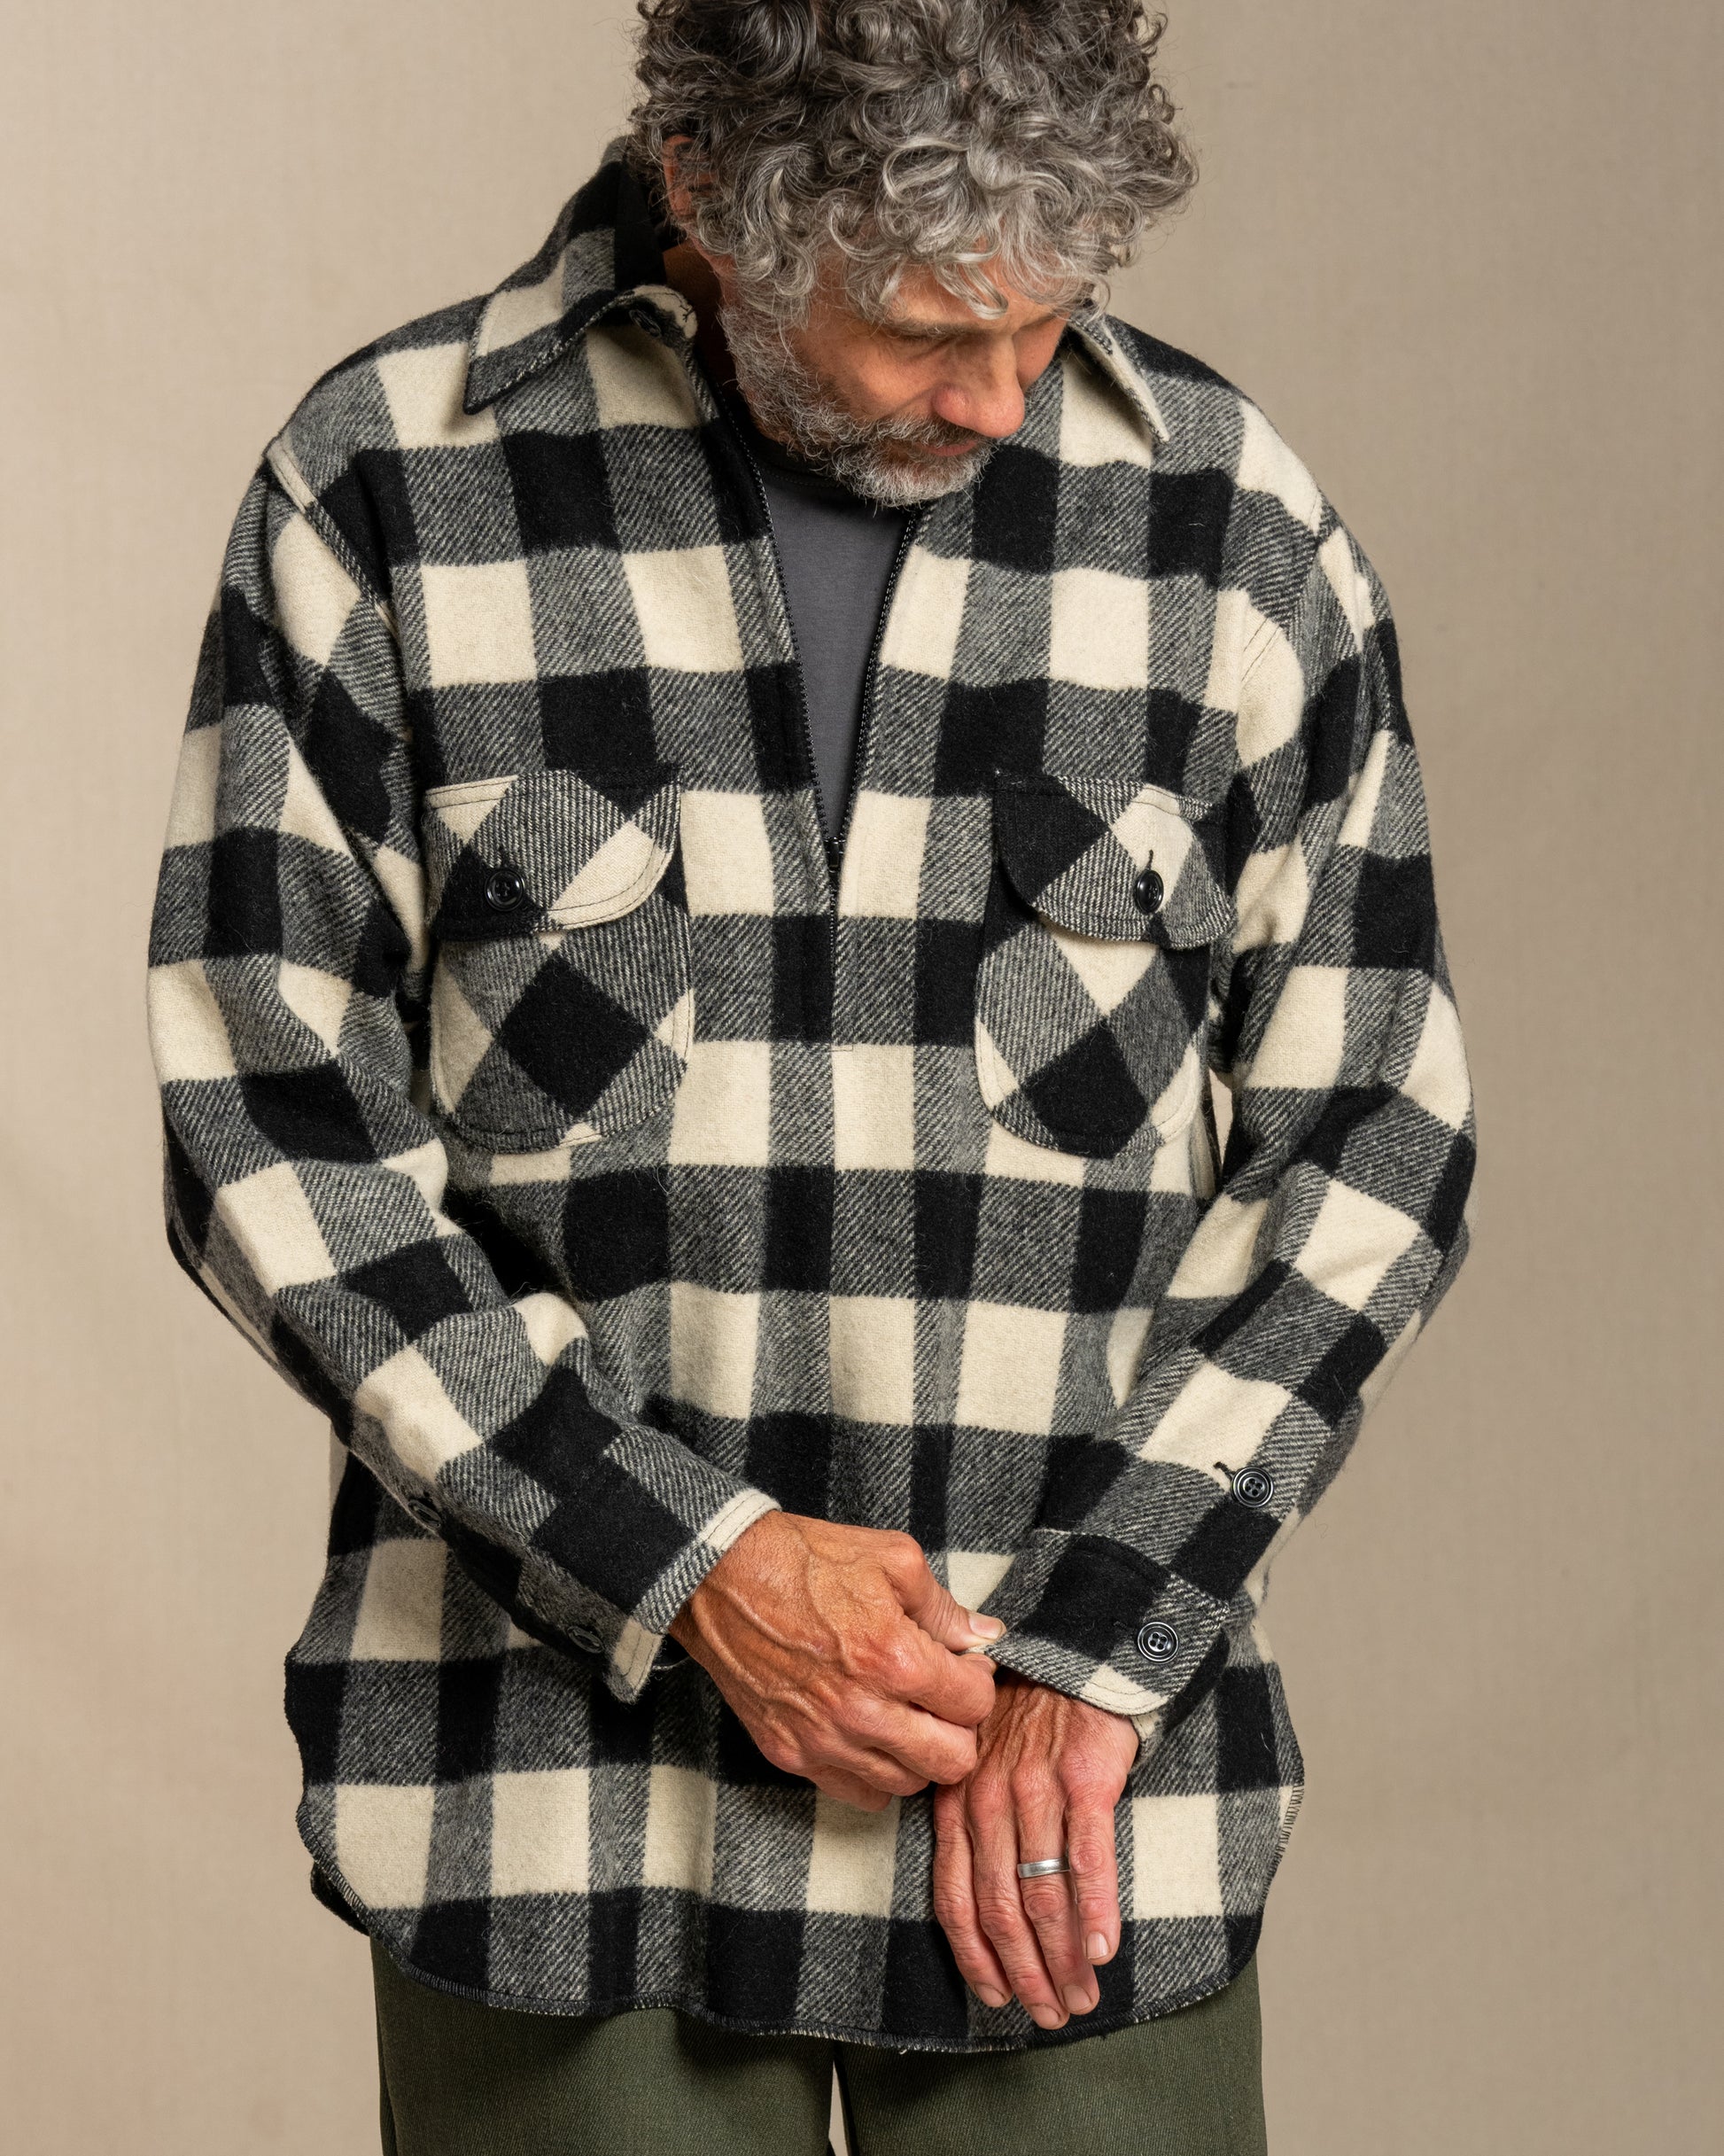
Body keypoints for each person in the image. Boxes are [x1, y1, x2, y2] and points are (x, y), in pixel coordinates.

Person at [146, 3, 1475, 2149]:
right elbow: (268, 1119)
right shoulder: (387, 483)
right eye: (925, 325)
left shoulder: (1235, 527)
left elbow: (1375, 1139)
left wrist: (1093, 1641)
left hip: (1068, 1816)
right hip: (557, 1816)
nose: (1002, 390)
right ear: (708, 198)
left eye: (1053, 314)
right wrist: (692, 1566)